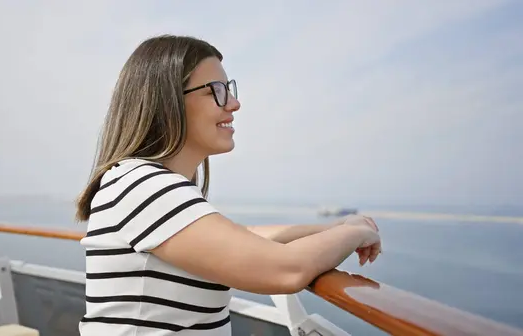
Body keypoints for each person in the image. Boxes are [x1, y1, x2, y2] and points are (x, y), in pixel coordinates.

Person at [74, 34, 382, 336]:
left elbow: (240, 237)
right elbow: (286, 269)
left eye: (229, 89)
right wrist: (354, 233)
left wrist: (334, 227)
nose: (233, 103)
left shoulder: (146, 183)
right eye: (216, 91)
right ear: (167, 102)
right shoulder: (142, 184)